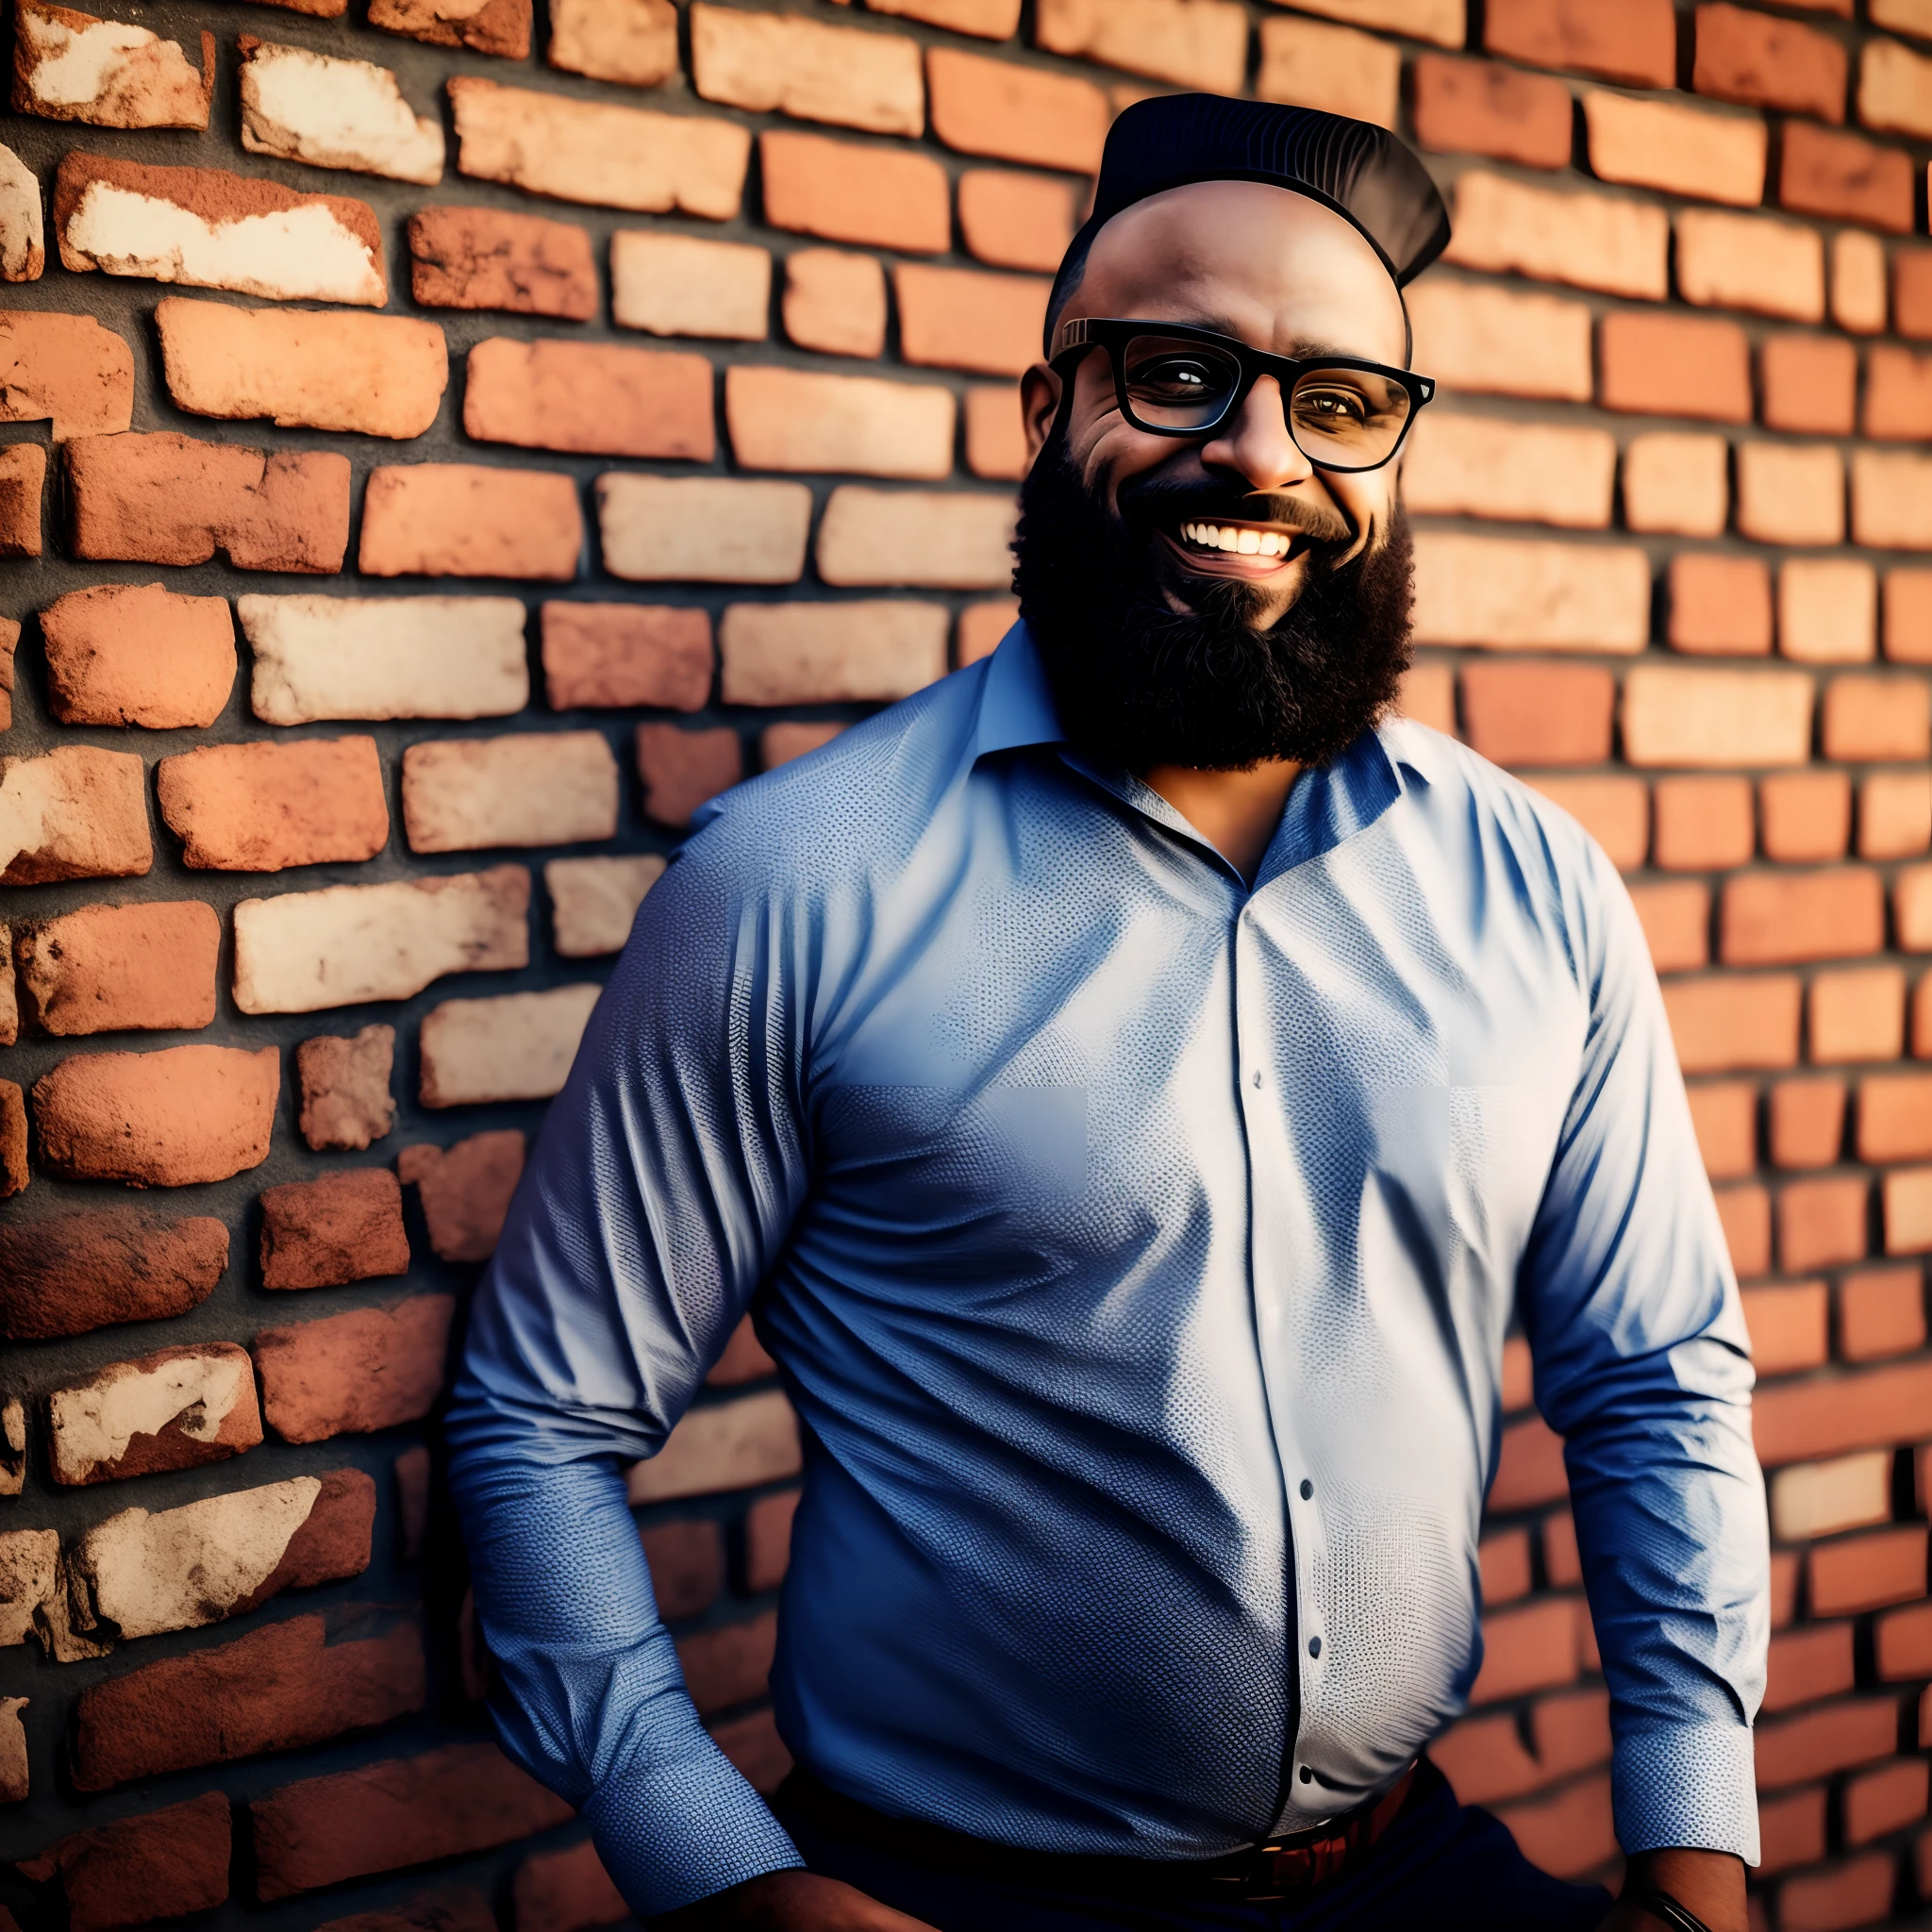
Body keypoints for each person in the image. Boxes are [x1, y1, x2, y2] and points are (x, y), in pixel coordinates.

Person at [447, 93, 1768, 1932]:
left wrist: (1695, 1862)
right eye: (1174, 372)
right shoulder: (792, 885)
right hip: (953, 1899)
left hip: (1422, 1877)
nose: (1258, 454)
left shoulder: (1534, 884)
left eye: (1337, 403)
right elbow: (540, 1416)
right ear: (1042, 406)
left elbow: (1654, 1376)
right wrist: (725, 1873)